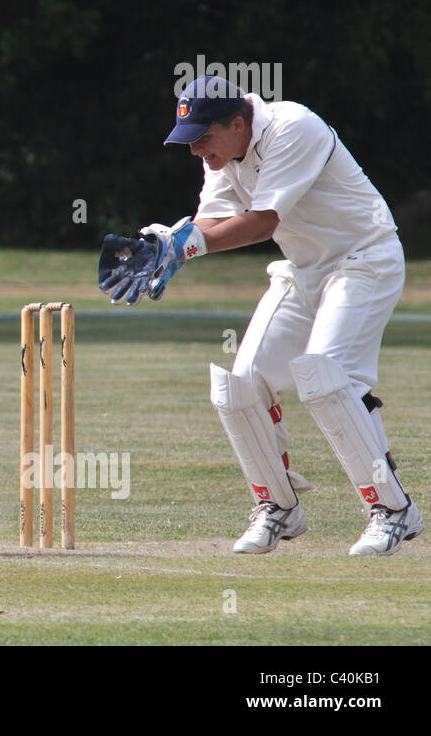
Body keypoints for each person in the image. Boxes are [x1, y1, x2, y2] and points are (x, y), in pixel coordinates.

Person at [97, 75, 421, 556]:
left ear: (237, 121)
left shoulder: (293, 127)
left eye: (204, 139)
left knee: (328, 380)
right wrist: (167, 241)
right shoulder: (223, 154)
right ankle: (278, 508)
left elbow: (264, 221)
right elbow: (213, 220)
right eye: (191, 141)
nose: (196, 151)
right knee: (241, 384)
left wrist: (187, 246)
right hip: (305, 268)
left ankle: (394, 512)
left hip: (364, 258)